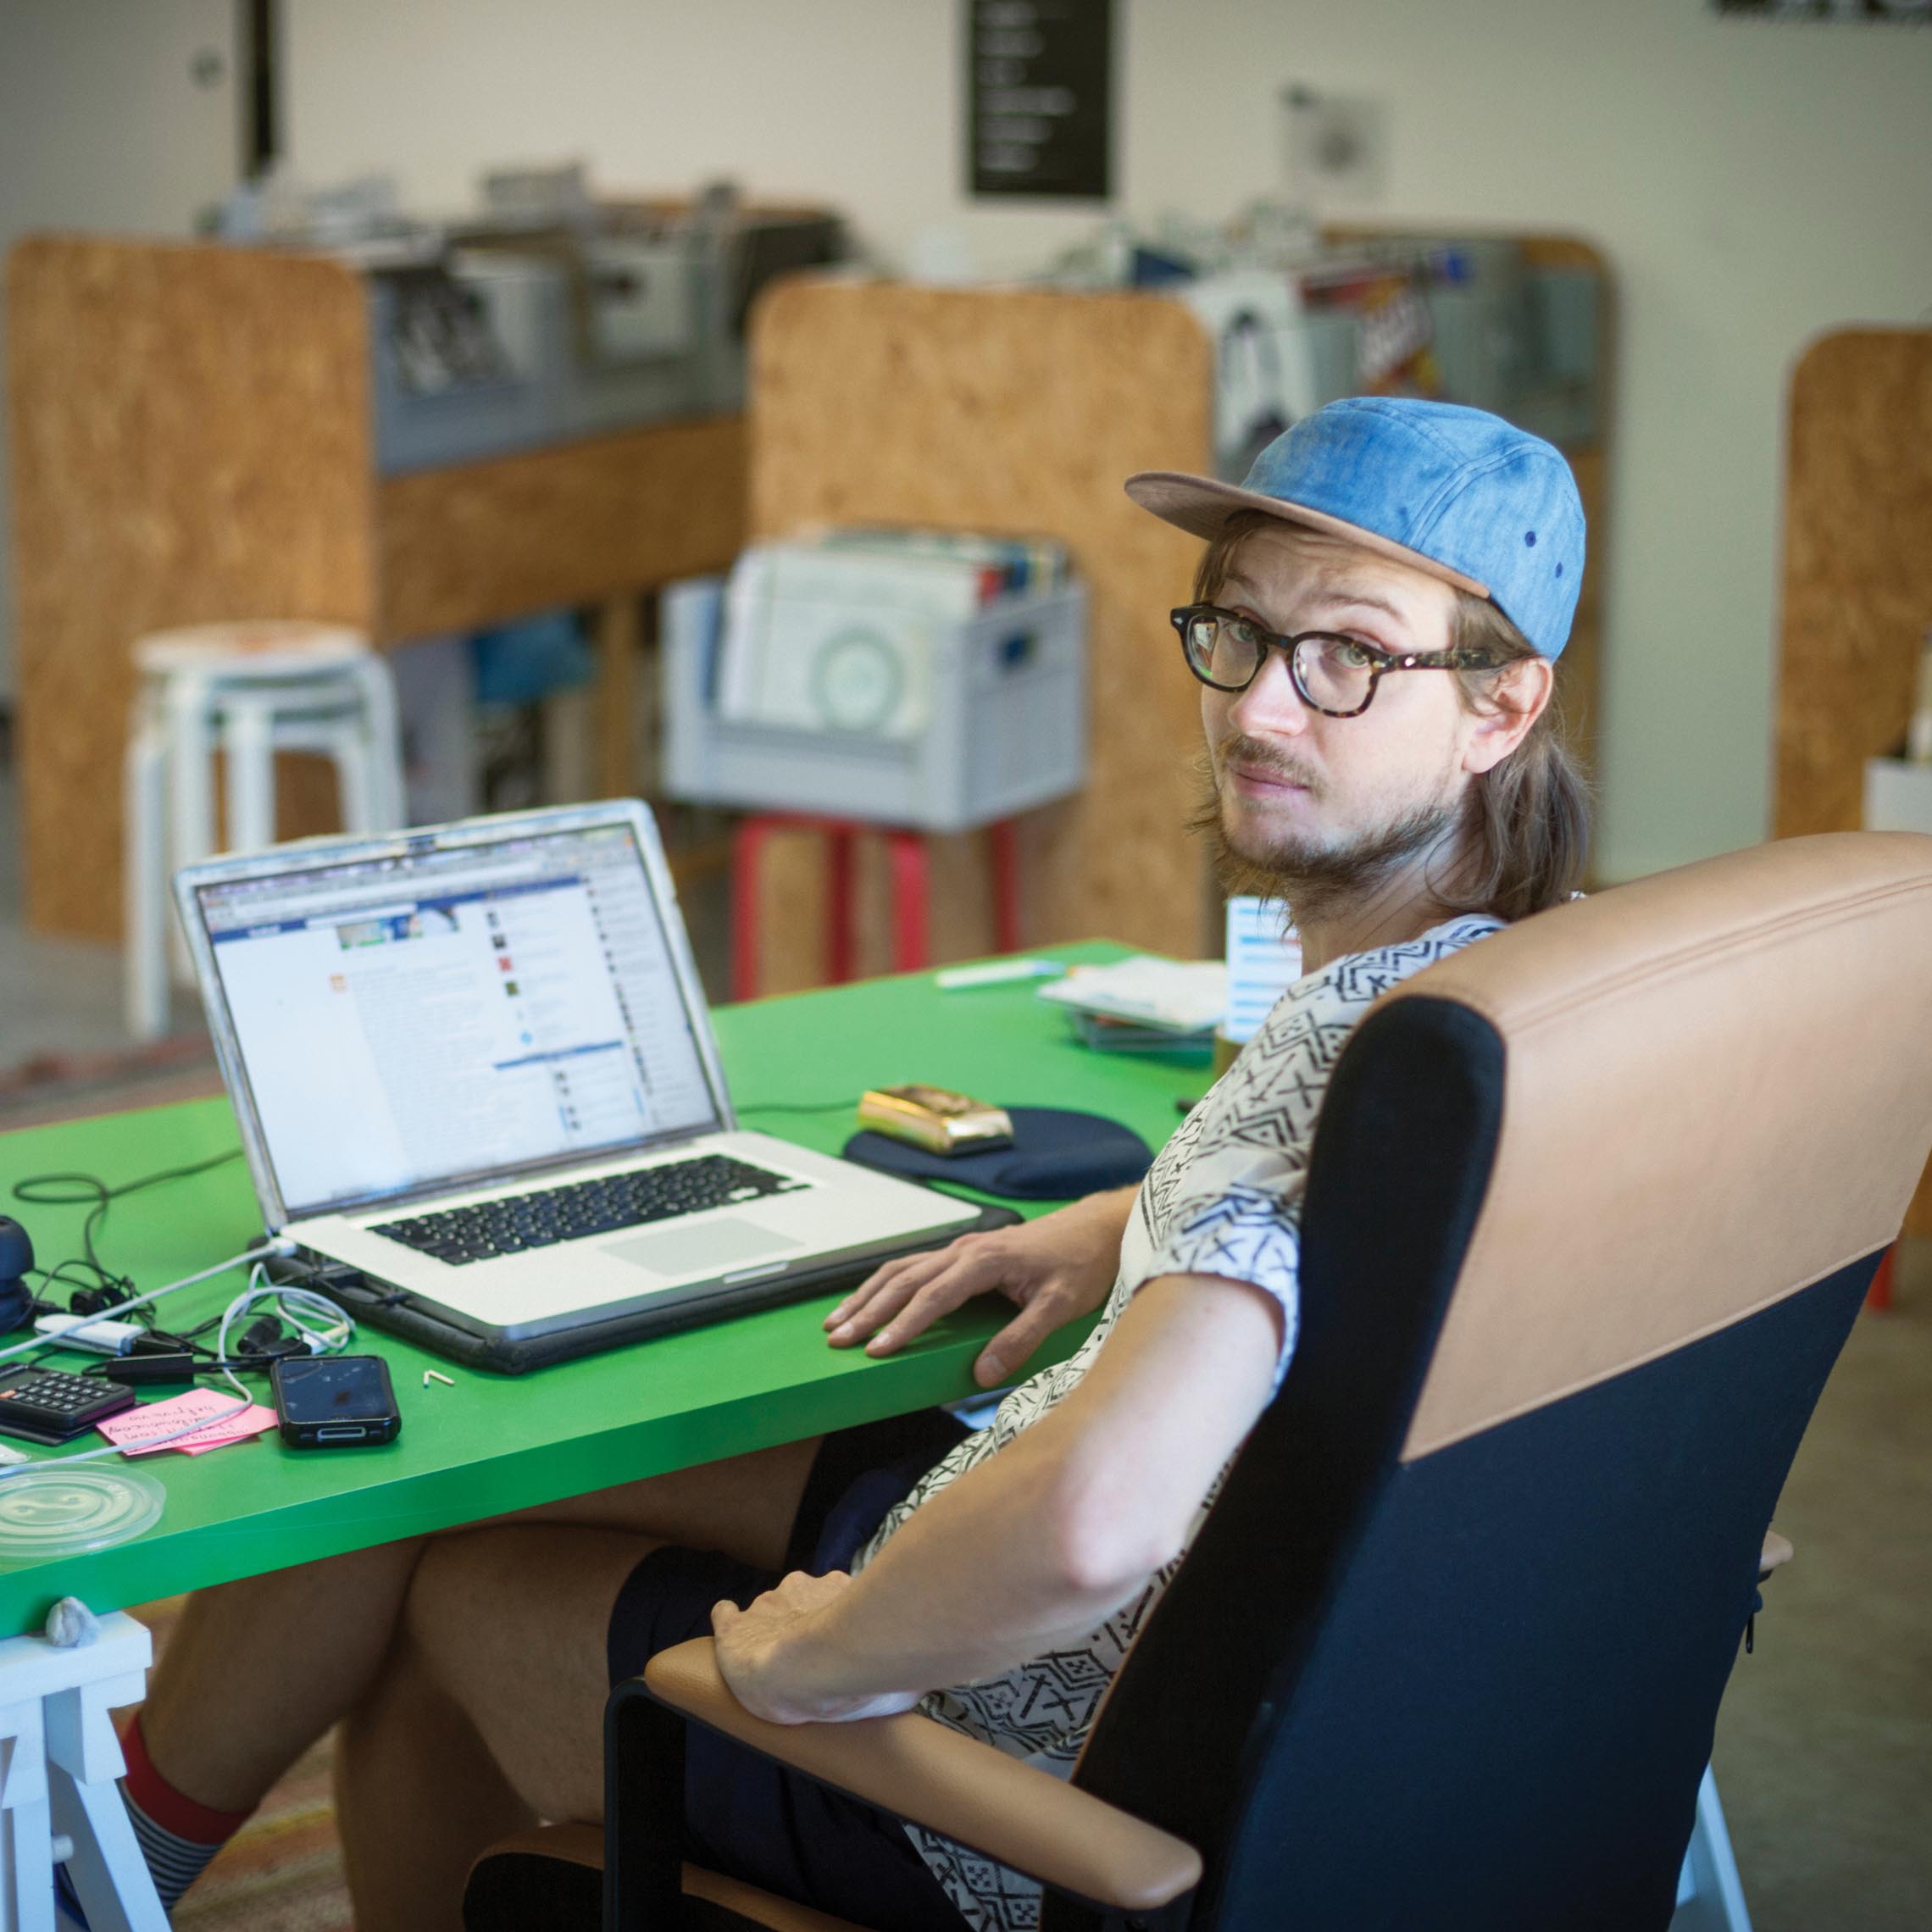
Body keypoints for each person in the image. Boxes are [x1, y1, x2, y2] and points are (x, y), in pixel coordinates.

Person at [111, 397, 1591, 1932]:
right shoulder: (1537, 990)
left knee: (447, 1594)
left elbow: (1095, 1526)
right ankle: (118, 1859)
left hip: (995, 1783)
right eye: (1239, 633)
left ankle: (112, 1869)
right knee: (476, 1447)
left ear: (1503, 705)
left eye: (1349, 655)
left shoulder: (1343, 1078)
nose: (1264, 711)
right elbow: (1320, 1226)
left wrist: (817, 1654)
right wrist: (1134, 1218)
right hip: (1237, 1673)